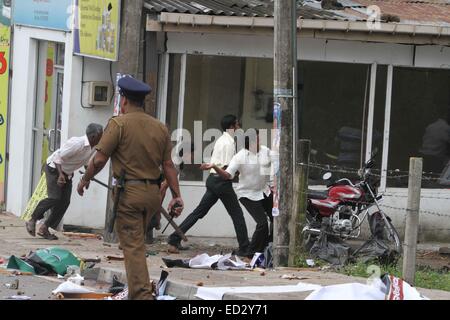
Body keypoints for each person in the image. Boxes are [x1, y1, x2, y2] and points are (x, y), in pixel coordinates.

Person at [77, 75, 183, 300]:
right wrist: (176, 195)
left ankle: (142, 295)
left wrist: (85, 179)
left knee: (133, 248)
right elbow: (168, 165)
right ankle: (140, 291)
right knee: (137, 243)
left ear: (124, 100)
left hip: (129, 195)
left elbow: (98, 160)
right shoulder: (160, 127)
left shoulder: (119, 124)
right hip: (152, 196)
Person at [167, 115, 250, 256]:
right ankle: (245, 249)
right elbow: (226, 167)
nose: (239, 127)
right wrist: (238, 172)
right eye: (237, 124)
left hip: (213, 180)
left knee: (199, 212)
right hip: (221, 182)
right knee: (237, 215)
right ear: (231, 126)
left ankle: (174, 238)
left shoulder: (221, 140)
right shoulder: (228, 143)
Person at [200, 129, 273, 256]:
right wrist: (214, 167)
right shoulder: (240, 156)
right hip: (247, 194)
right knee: (262, 224)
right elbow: (227, 175)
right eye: (257, 139)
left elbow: (276, 159)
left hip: (264, 191)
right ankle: (250, 253)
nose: (260, 141)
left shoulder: (265, 150)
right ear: (250, 143)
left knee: (276, 219)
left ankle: (266, 247)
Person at [25, 123, 103, 240]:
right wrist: (60, 174)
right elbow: (58, 157)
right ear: (93, 137)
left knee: (64, 202)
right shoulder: (77, 143)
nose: (102, 138)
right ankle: (32, 219)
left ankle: (45, 227)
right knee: (54, 197)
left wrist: (87, 178)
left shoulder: (93, 147)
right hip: (54, 168)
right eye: (100, 136)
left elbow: (86, 163)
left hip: (68, 173)